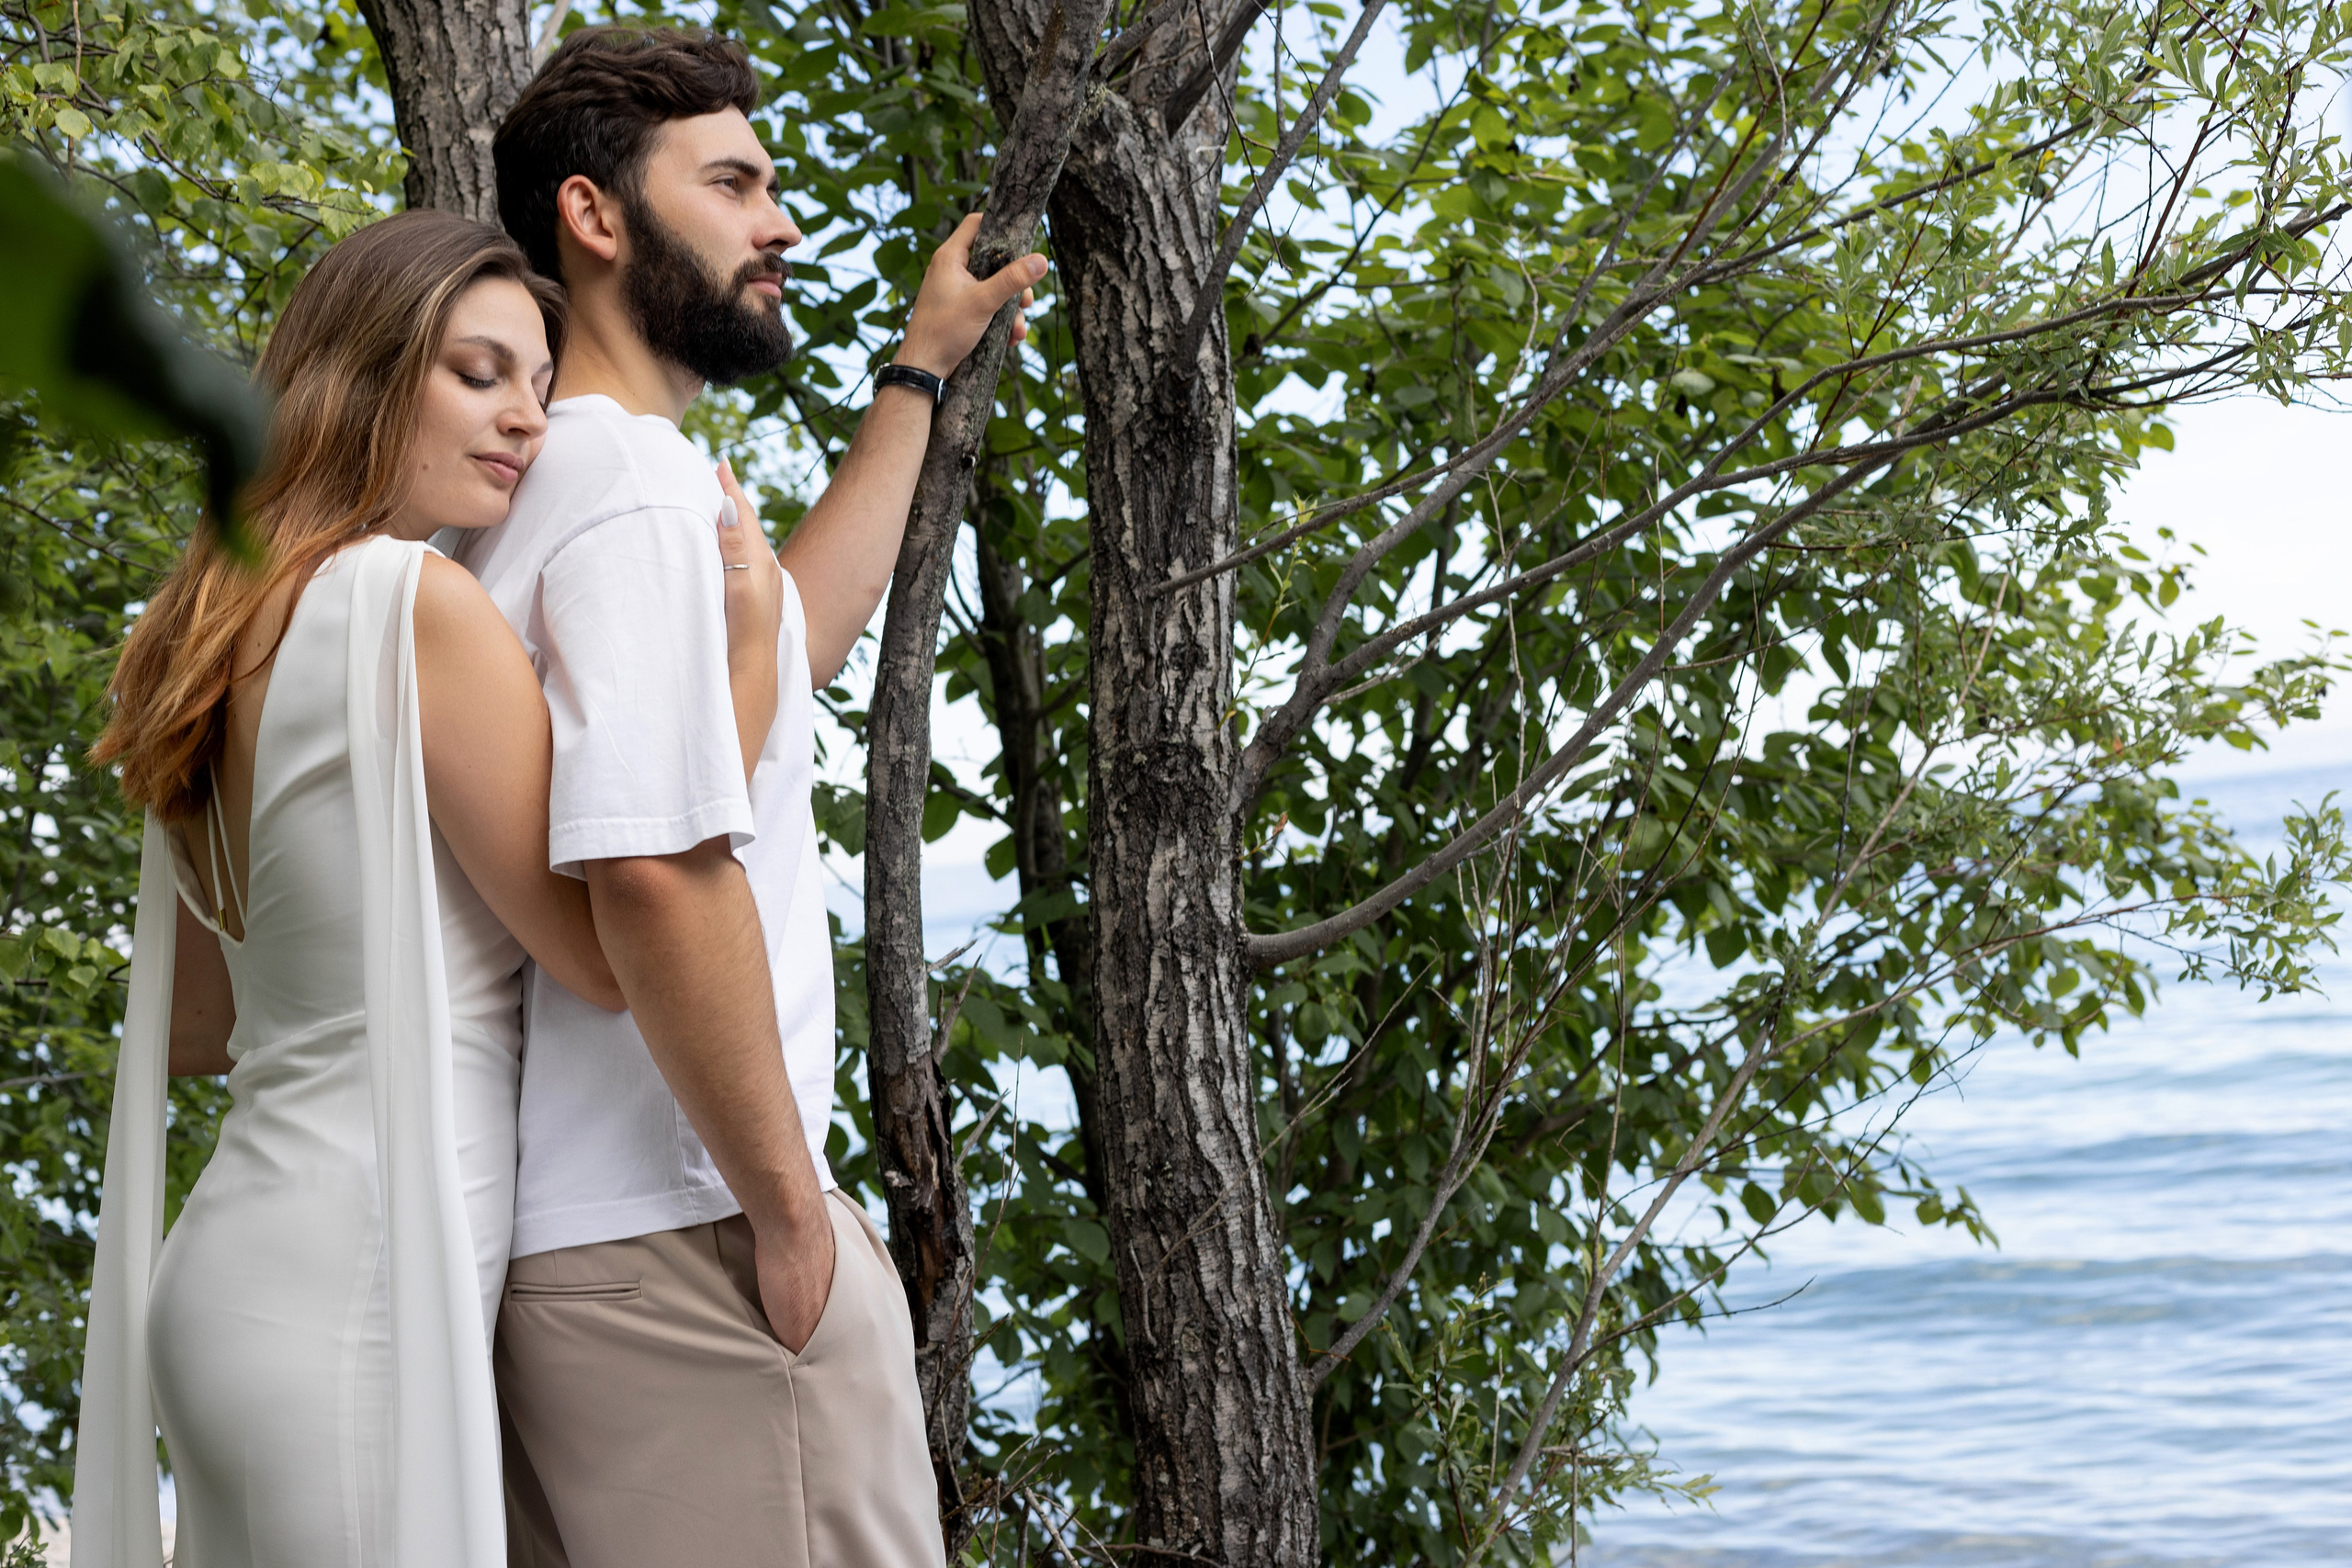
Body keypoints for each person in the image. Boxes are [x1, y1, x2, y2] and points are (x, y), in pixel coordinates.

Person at [69, 209, 785, 1568]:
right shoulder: (412, 603)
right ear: (363, 375)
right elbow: (602, 954)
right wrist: (748, 657)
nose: (526, 418)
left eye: (539, 383)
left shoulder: (216, 629)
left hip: (234, 1269)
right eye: (478, 373)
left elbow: (200, 1028)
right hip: (360, 1283)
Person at [465, 25, 1043, 1568]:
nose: (777, 223)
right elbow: (653, 866)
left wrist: (919, 368)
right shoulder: (633, 497)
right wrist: (794, 1219)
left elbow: (791, 647)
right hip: (695, 1242)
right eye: (731, 185)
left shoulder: (542, 489)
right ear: (594, 215)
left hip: (588, 1251)